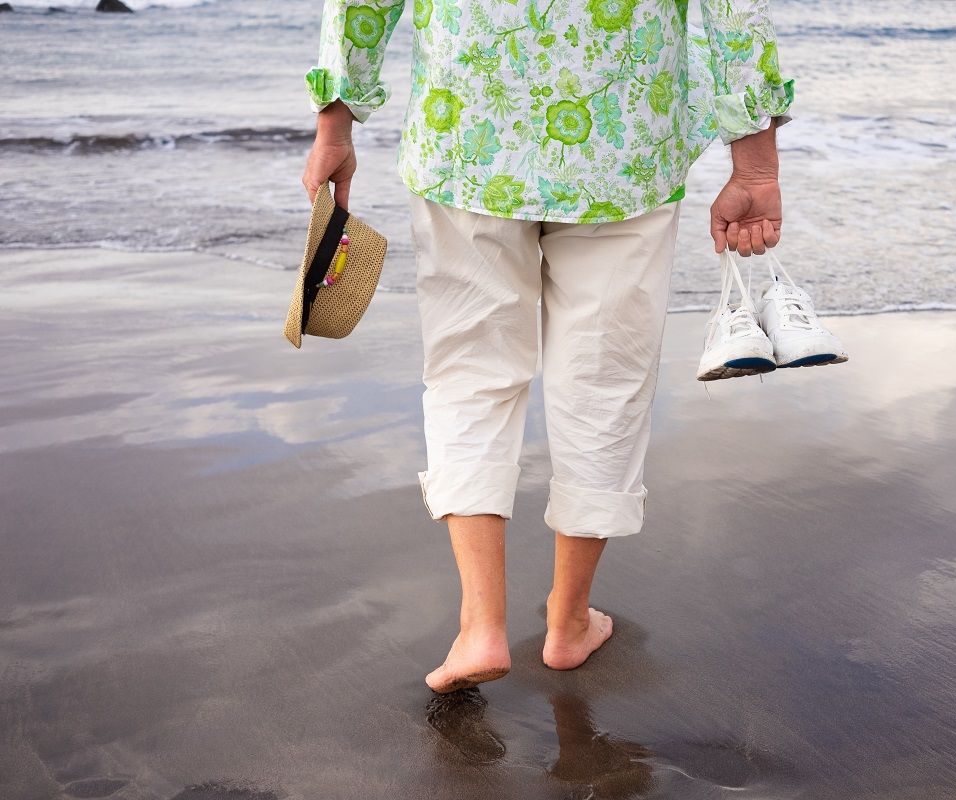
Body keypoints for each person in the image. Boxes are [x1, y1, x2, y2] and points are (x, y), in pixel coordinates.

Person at [301, 0, 794, 693]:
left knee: (470, 372)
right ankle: (566, 622)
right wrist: (754, 163)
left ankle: (480, 627)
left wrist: (335, 120)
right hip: (625, 140)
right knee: (603, 379)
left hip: (466, 130)